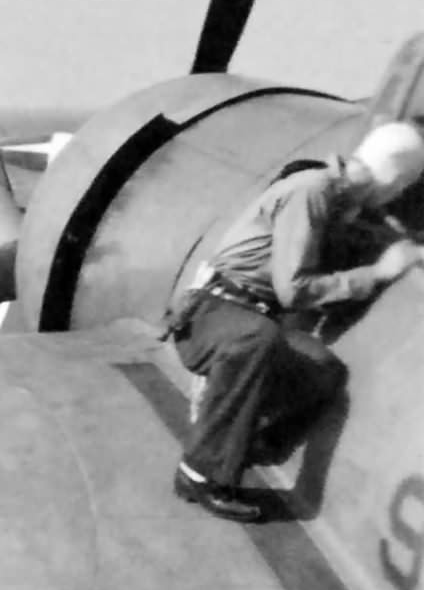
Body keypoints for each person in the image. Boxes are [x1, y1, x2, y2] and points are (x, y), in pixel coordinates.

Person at [166, 121, 424, 521]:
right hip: (213, 312)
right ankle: (201, 473)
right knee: (258, 338)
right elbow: (294, 291)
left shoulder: (338, 200)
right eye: (404, 183)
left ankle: (244, 443)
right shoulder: (311, 191)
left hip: (246, 315)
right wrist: (377, 273)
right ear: (392, 175)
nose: (401, 193)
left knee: (321, 369)